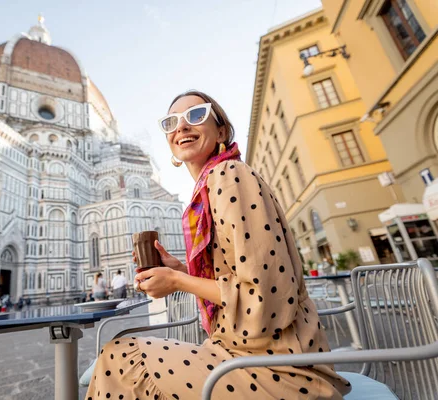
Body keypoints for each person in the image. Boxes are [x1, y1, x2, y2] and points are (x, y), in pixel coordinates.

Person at [86, 91, 351, 399]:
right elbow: (243, 278)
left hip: (282, 369)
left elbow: (265, 300)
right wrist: (183, 270)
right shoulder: (211, 187)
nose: (182, 127)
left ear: (222, 131)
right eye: (171, 122)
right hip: (244, 357)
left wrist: (177, 281)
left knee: (121, 356)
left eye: (196, 116)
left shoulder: (229, 176)